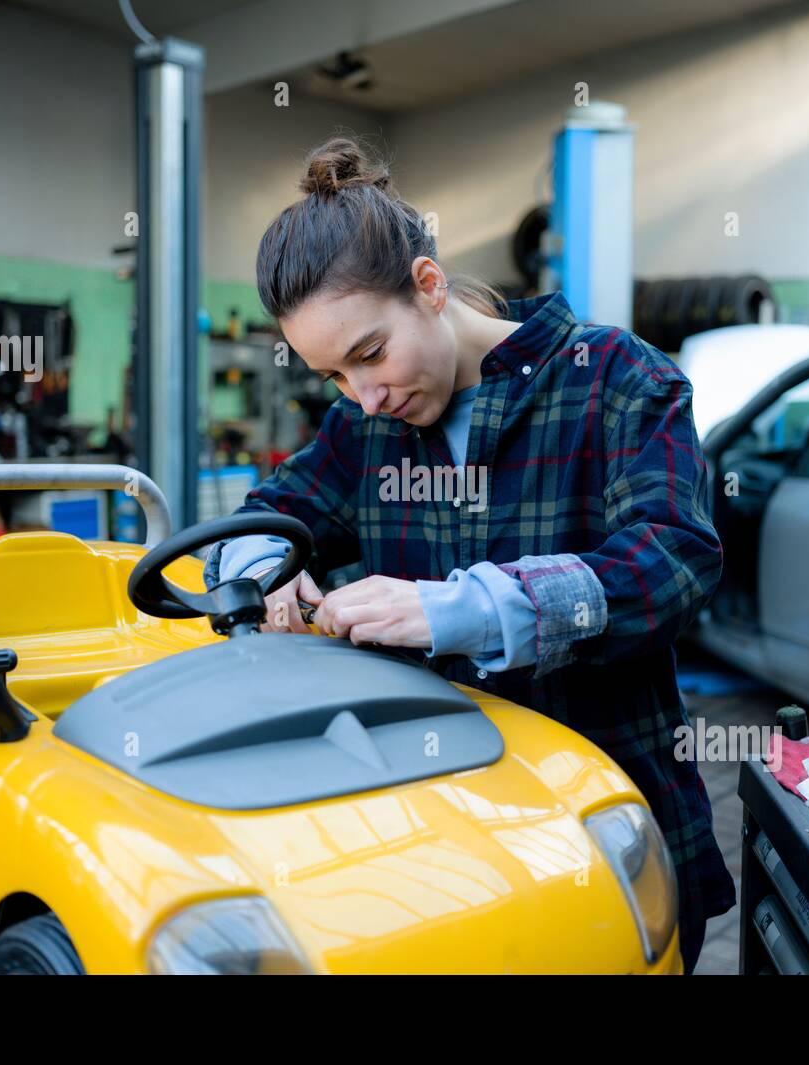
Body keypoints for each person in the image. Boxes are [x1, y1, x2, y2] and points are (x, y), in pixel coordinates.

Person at [204, 134, 735, 972]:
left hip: (613, 838)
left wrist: (472, 607)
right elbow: (270, 513)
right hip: (438, 848)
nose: (366, 396)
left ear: (428, 285)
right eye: (334, 376)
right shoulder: (364, 428)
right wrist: (262, 566)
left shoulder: (616, 380)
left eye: (371, 353)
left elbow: (671, 561)